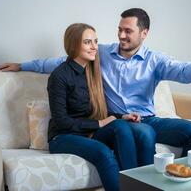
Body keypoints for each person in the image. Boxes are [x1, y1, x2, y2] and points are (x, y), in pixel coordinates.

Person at [0, 8, 191, 166]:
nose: (121, 35)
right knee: (143, 133)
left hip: (148, 118)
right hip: (122, 119)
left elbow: (185, 73)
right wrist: (21, 65)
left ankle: (183, 181)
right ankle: (145, 184)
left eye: (128, 31)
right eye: (120, 29)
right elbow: (59, 61)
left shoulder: (155, 60)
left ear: (144, 34)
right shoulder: (102, 53)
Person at [46, 23, 141, 191]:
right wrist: (98, 124)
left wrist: (121, 116)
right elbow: (61, 121)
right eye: (88, 42)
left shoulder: (92, 72)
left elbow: (93, 111)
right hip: (63, 137)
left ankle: (133, 186)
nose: (94, 47)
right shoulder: (59, 76)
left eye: (95, 42)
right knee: (103, 152)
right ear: (74, 45)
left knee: (122, 127)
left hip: (87, 133)